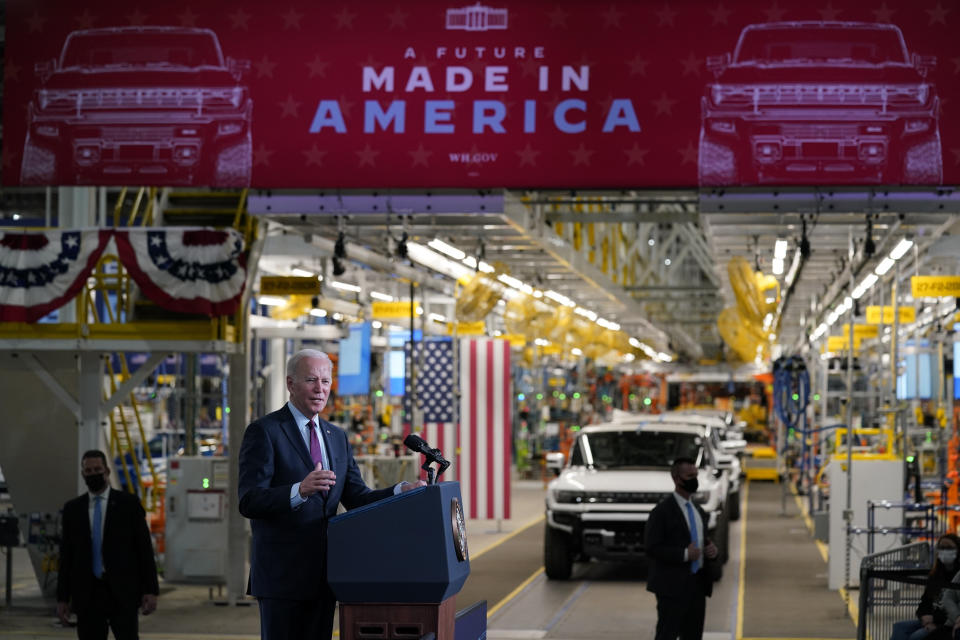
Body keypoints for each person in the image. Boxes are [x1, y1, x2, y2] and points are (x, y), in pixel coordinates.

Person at [239, 349, 426, 640]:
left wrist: (401, 490)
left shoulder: (336, 437)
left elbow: (357, 498)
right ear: (290, 384)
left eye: (325, 381)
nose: (320, 388)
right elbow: (249, 500)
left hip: (325, 577)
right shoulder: (265, 432)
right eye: (311, 380)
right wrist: (298, 490)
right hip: (282, 579)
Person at [56, 450, 159, 640]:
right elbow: (67, 556)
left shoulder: (128, 504)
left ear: (107, 471)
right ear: (83, 474)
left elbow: (144, 549)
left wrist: (150, 590)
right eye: (88, 470)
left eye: (97, 469)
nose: (93, 474)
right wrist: (62, 597)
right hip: (87, 595)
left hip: (122, 592)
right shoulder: (73, 509)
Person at [644, 456, 719, 640]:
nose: (694, 479)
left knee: (693, 635)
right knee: (667, 634)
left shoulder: (698, 511)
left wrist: (712, 551)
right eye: (689, 476)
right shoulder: (661, 512)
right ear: (677, 479)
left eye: (696, 475)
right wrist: (685, 554)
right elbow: (652, 547)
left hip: (697, 586)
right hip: (671, 587)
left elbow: (702, 541)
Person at [890, 533, 960, 640]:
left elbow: (953, 606)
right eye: (942, 547)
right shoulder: (935, 575)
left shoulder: (958, 575)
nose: (945, 550)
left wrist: (935, 620)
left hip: (946, 622)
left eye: (949, 548)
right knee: (899, 628)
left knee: (916, 637)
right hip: (929, 620)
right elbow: (924, 602)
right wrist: (923, 617)